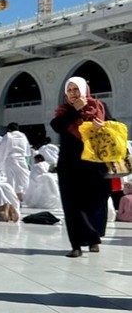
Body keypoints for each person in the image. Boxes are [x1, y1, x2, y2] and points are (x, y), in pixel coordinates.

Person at [50, 76, 110, 257]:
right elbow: (57, 126)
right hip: (69, 166)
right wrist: (75, 110)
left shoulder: (99, 107)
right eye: (69, 90)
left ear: (84, 90)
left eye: (76, 89)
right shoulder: (64, 111)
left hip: (94, 165)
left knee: (95, 202)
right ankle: (76, 245)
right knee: (71, 206)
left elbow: (115, 126)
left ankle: (93, 239)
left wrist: (103, 126)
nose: (73, 93)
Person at [0, 122, 31, 201]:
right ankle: (20, 198)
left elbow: (2, 149)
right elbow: (27, 150)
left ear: (9, 129)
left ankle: (12, 199)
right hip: (22, 159)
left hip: (11, 159)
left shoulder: (8, 136)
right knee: (21, 180)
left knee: (10, 180)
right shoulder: (23, 136)